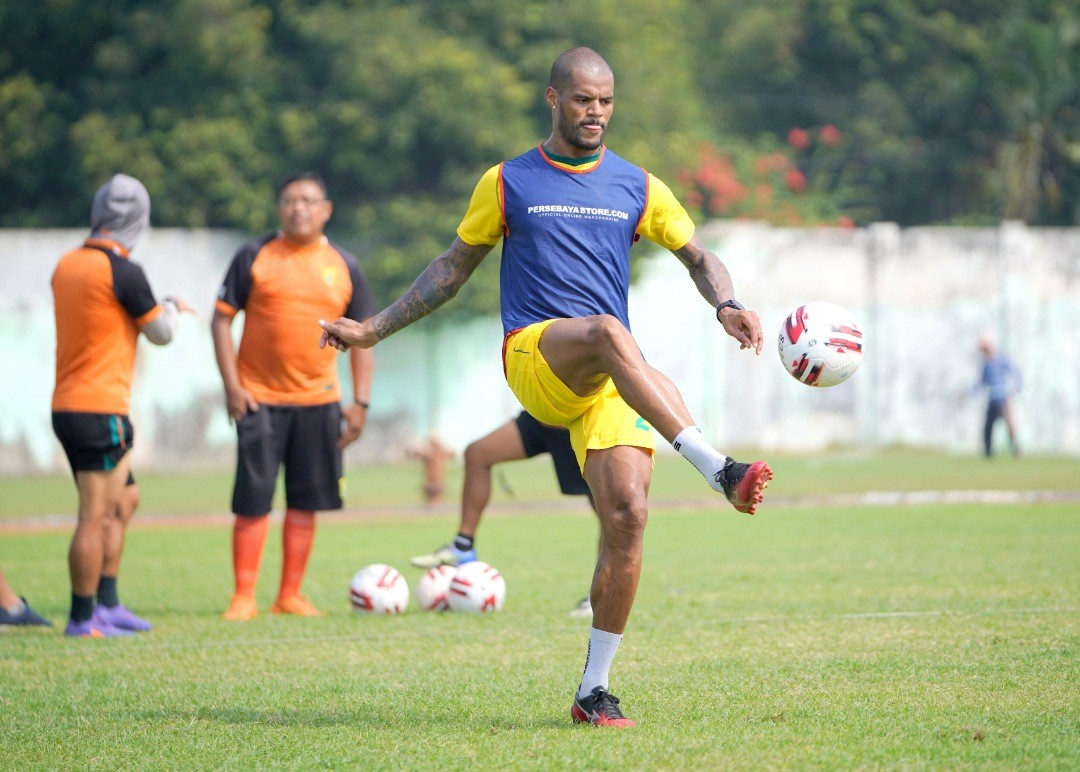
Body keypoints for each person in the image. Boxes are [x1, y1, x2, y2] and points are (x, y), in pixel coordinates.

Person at [319, 47, 772, 728]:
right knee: (611, 334)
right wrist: (374, 329)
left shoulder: (638, 185)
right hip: (536, 355)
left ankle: (594, 690)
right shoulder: (507, 181)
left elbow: (698, 256)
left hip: (609, 376)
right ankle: (716, 469)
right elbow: (452, 267)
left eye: (607, 101)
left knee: (627, 517)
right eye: (583, 99)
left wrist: (726, 302)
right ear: (553, 99)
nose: (596, 113)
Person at [212, 172, 376, 621]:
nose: (297, 208)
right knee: (253, 498)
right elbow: (220, 320)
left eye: (307, 200)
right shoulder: (253, 255)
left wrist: (360, 403)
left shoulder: (345, 265)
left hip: (320, 401)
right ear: (279, 208)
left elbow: (365, 337)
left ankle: (289, 594)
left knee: (306, 501)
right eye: (288, 200)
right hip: (258, 398)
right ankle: (243, 595)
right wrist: (232, 385)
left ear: (326, 209)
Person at [51, 173, 191, 638]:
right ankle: (82, 617)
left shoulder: (67, 264)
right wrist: (171, 305)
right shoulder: (123, 270)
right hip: (99, 409)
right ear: (138, 218)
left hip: (71, 404)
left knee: (125, 499)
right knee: (94, 514)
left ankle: (107, 604)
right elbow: (161, 333)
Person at [409, 410, 597, 618]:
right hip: (540, 416)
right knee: (477, 453)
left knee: (606, 511)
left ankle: (601, 594)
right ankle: (462, 546)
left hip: (576, 421)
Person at [973, 335, 1022, 457]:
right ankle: (988, 452)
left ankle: (1016, 451)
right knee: (988, 427)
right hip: (992, 400)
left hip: (1002, 399)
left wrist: (1018, 385)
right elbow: (981, 382)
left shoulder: (1001, 359)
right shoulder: (985, 364)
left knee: (1009, 426)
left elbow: (1016, 371)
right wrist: (969, 393)